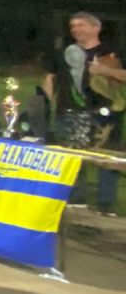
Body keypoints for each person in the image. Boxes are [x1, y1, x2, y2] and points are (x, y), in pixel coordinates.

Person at [43, 11, 125, 213]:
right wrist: (47, 104)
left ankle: (105, 206)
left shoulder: (113, 52)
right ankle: (77, 204)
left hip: (105, 115)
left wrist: (105, 70)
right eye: (72, 26)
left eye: (81, 25)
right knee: (72, 158)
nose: (75, 29)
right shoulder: (64, 52)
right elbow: (50, 78)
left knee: (107, 160)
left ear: (96, 27)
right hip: (68, 112)